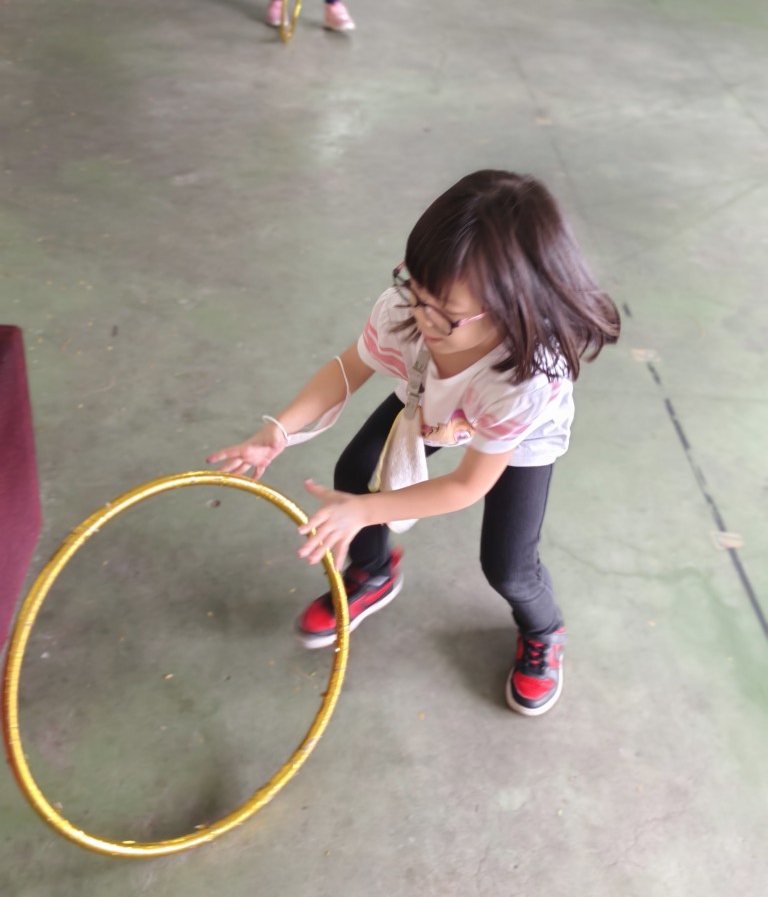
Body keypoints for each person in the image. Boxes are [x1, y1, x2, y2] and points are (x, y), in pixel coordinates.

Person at [207, 170, 621, 716]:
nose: (421, 316)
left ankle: (544, 629)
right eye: (415, 289)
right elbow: (348, 368)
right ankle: (373, 571)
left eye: (445, 314)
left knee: (508, 566)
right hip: (430, 392)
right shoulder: (411, 312)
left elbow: (467, 485)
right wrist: (279, 430)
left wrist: (365, 512)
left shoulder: (526, 380)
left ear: (516, 306)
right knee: (356, 471)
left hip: (513, 432)